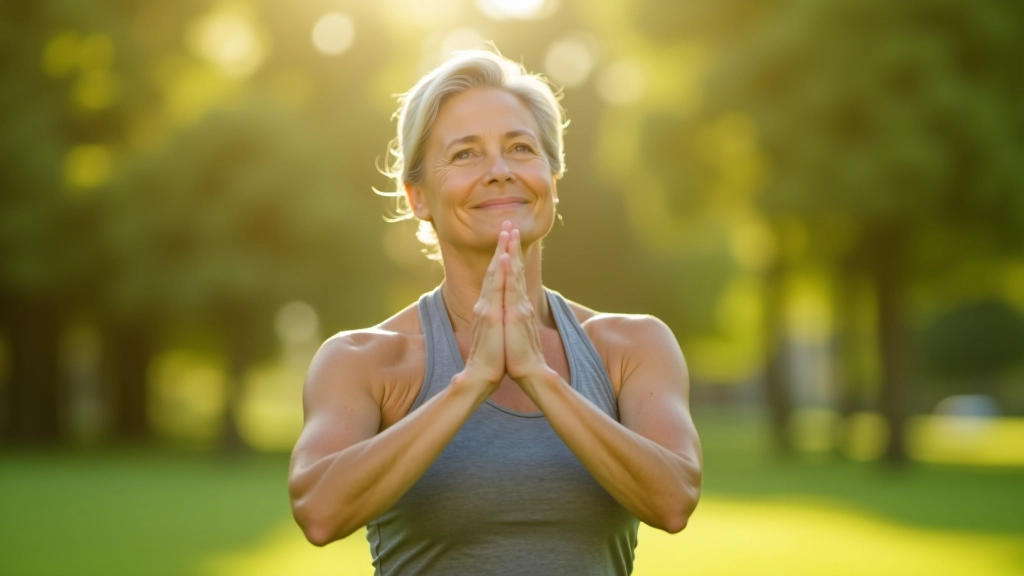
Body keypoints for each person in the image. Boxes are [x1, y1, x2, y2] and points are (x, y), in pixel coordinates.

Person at [288, 48, 702, 576]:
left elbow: (672, 502)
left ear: (552, 177)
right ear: (417, 196)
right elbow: (320, 514)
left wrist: (538, 375)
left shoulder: (632, 347)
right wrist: (472, 381)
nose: (500, 171)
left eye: (520, 148)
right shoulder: (364, 361)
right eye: (465, 155)